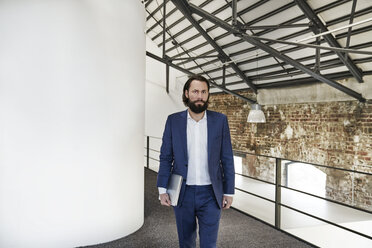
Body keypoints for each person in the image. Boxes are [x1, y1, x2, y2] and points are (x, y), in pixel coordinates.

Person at [156, 75, 235, 248]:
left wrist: (229, 191)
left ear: (207, 95)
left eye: (203, 92)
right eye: (195, 91)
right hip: (183, 192)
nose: (199, 96)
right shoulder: (173, 121)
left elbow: (227, 157)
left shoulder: (220, 121)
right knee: (186, 242)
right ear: (187, 94)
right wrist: (162, 189)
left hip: (211, 194)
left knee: (209, 244)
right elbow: (166, 157)